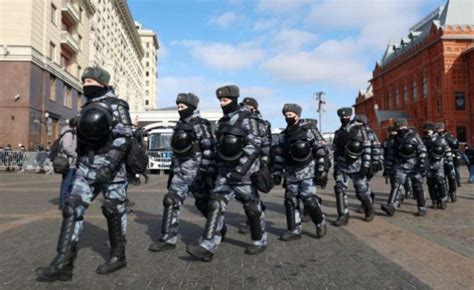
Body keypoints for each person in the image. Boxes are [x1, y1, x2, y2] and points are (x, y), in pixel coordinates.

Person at [36, 66, 133, 281]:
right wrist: (63, 153)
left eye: (91, 82)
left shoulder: (117, 106)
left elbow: (125, 137)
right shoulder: (86, 106)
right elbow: (76, 132)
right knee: (72, 208)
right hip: (85, 165)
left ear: (103, 83)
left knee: (113, 209)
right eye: (84, 81)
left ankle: (118, 255)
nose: (86, 85)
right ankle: (63, 262)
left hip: (111, 168)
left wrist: (109, 165)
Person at [186, 85, 267, 261]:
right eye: (220, 101)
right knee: (215, 204)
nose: (223, 104)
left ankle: (259, 241)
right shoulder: (223, 122)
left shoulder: (248, 119)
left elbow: (254, 146)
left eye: (225, 100)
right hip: (224, 173)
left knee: (252, 208)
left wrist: (241, 170)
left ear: (235, 100)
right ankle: (207, 246)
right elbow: (218, 149)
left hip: (244, 175)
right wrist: (210, 171)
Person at [148, 92, 216, 252]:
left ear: (191, 107)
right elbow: (176, 150)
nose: (179, 109)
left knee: (205, 204)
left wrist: (206, 172)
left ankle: (218, 228)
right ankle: (168, 239)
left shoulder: (201, 123)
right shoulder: (179, 124)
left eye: (182, 106)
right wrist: (172, 171)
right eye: (178, 106)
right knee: (171, 200)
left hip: (197, 172)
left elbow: (209, 148)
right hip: (180, 172)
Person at [272, 103, 327, 241]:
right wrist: (277, 171)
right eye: (286, 115)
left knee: (308, 199)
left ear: (298, 115)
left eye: (290, 115)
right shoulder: (284, 135)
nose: (287, 117)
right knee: (290, 200)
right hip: (291, 172)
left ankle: (320, 223)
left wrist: (321, 170)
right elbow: (279, 155)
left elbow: (320, 150)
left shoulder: (308, 130)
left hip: (307, 170)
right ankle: (294, 230)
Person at [332, 107, 374, 226]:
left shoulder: (360, 130)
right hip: (341, 165)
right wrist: (335, 168)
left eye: (347, 117)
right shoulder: (338, 133)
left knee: (361, 191)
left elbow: (367, 148)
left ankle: (369, 208)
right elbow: (335, 151)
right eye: (342, 117)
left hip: (357, 165)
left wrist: (366, 166)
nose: (344, 118)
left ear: (350, 116)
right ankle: (343, 214)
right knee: (339, 189)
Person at [237, 97, 272, 235]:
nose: (245, 108)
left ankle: (252, 222)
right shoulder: (239, 120)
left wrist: (265, 162)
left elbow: (266, 144)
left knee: (250, 194)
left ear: (254, 108)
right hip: (241, 161)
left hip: (255, 163)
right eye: (243, 106)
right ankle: (257, 211)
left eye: (248, 106)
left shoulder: (263, 123)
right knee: (243, 194)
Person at [381, 119, 427, 217]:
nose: (400, 129)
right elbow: (391, 154)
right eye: (398, 127)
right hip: (400, 164)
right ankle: (391, 206)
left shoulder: (414, 136)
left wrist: (423, 163)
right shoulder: (395, 139)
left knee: (418, 186)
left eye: (402, 127)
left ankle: (422, 207)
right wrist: (388, 167)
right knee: (396, 185)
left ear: (406, 126)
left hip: (414, 165)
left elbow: (422, 150)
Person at [422, 122, 452, 209]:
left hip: (439, 162)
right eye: (425, 131)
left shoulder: (440, 139)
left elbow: (447, 150)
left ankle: (443, 200)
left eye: (428, 131)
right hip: (428, 164)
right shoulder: (423, 140)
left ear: (432, 130)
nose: (426, 132)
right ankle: (434, 200)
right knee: (430, 183)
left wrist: (449, 163)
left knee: (440, 180)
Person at [435, 122, 459, 201]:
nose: (439, 130)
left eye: (440, 128)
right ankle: (443, 194)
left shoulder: (448, 136)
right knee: (441, 178)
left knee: (452, 176)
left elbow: (455, 146)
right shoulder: (435, 137)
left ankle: (452, 192)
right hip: (439, 160)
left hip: (449, 159)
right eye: (438, 128)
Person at [58, 118, 78, 210]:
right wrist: (75, 155)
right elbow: (66, 147)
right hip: (68, 162)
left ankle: (68, 201)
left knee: (70, 183)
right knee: (67, 183)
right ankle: (63, 203)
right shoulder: (69, 133)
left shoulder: (71, 132)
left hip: (71, 162)